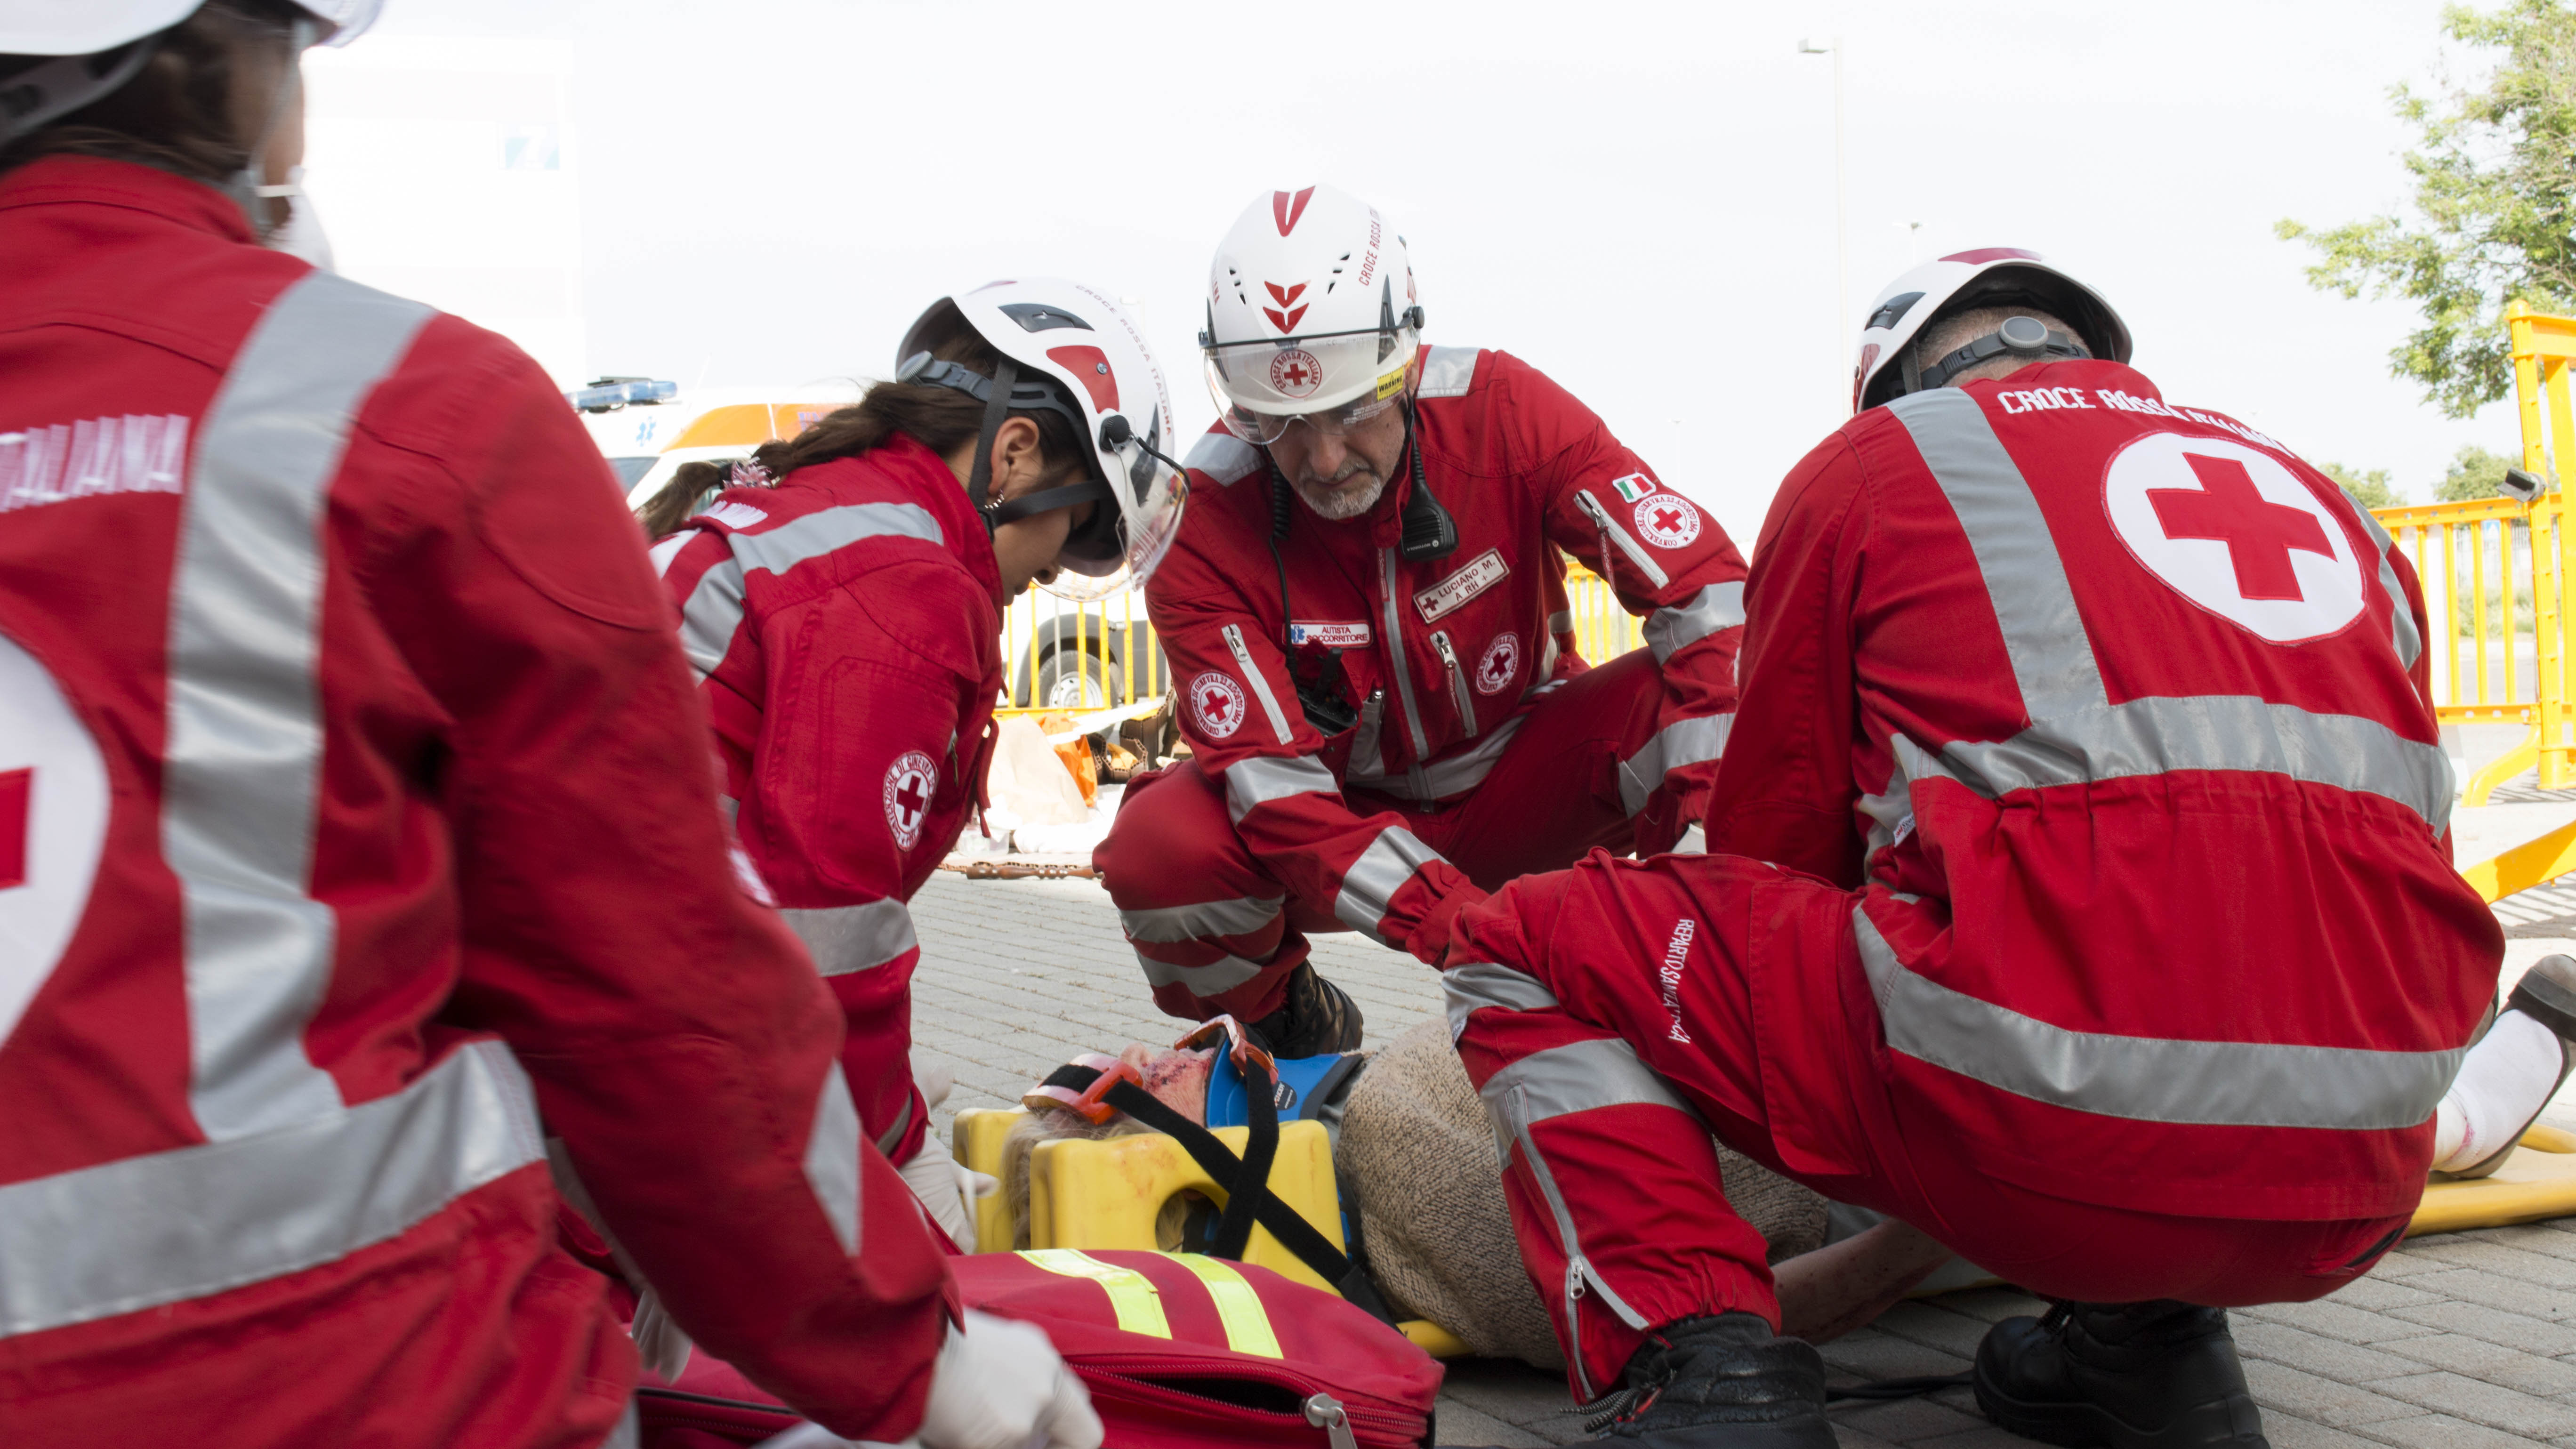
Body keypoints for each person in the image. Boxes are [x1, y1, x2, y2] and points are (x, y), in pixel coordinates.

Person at [0, 7, 1096, 1447]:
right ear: (254, 69)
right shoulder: (410, 415)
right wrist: (912, 1341)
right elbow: (660, 997)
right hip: (383, 1381)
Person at [1418, 250, 2537, 1448]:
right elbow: (2372, 849)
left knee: (1520, 937)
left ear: (1899, 381)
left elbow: (1779, 850)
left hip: (2037, 1125)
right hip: (2365, 1163)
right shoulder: (2326, 503)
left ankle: (1705, 1383)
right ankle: (2149, 1352)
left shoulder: (1881, 462)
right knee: (2219, 928)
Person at [1095, 184, 1749, 1055]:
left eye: (1354, 408)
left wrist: (1726, 843)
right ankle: (1289, 1024)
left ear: (1406, 361)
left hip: (1531, 776)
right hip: (1339, 819)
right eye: (1282, 425)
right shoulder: (1201, 515)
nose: (1324, 461)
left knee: (1706, 693)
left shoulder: (1507, 412)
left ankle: (1710, 956)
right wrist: (1459, 926)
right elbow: (1275, 794)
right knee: (1155, 851)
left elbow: (1705, 595)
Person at [645, 282, 1187, 1248]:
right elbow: (829, 923)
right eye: (1062, 545)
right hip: (628, 1042)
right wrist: (890, 1148)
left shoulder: (830, 507)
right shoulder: (907, 582)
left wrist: (879, 1093)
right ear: (1015, 453)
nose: (1046, 582)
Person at [998, 1019, 1954, 1367]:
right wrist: (1948, 1225)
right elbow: (1716, 1323)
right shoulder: (1428, 1198)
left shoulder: (1378, 1131)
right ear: (1193, 1197)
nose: (1157, 1051)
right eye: (1138, 1084)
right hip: (1897, 1126)